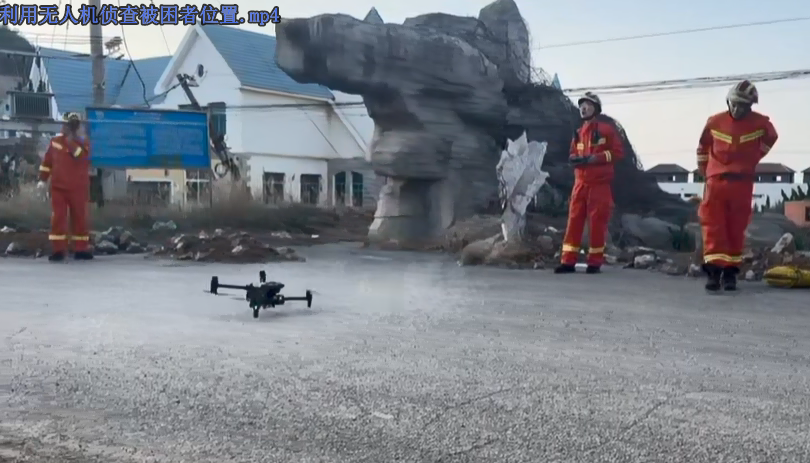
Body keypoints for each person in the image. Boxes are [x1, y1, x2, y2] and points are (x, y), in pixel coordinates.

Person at [696, 80, 777, 291]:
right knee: (713, 226)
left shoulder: (760, 123)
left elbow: (771, 137)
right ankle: (714, 273)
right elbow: (703, 147)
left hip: (742, 183)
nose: (738, 109)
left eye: (743, 105)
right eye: (735, 103)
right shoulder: (715, 122)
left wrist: (754, 157)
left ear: (750, 106)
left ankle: (730, 274)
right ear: (728, 101)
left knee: (736, 227)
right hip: (716, 182)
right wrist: (705, 171)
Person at [555, 92, 625, 274]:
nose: (583, 108)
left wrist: (597, 158)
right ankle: (567, 262)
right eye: (581, 105)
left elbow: (618, 152)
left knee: (597, 223)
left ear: (596, 109)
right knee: (573, 222)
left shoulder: (607, 130)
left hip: (599, 185)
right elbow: (573, 152)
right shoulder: (578, 133)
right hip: (580, 184)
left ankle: (594, 262)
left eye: (587, 105)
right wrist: (574, 159)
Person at [37, 112, 93, 262]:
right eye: (68, 125)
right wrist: (42, 180)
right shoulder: (55, 142)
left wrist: (70, 141)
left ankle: (80, 249)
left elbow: (81, 156)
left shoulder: (84, 142)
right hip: (58, 188)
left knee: (80, 218)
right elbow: (47, 162)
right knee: (58, 219)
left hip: (78, 188)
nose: (70, 128)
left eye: (73, 125)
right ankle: (58, 250)